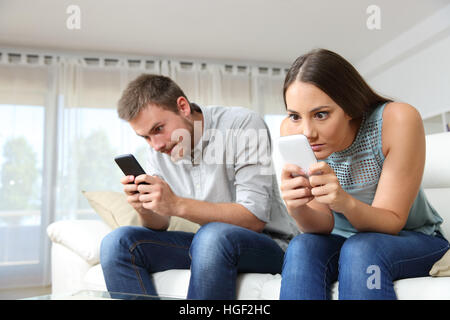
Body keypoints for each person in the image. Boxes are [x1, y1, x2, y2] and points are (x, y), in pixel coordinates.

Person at [100, 74, 298, 299]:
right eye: (145, 137)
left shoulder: (243, 124)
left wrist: (176, 204)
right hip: (208, 246)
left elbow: (253, 219)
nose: (156, 145)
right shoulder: (159, 150)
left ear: (183, 107)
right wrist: (145, 207)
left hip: (268, 244)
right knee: (117, 243)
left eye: (158, 129)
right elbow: (159, 225)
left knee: (211, 235)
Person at [278, 48, 449, 300]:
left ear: (349, 106)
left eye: (321, 114)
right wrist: (297, 208)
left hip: (411, 238)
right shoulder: (291, 131)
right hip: (342, 241)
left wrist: (344, 202)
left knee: (361, 248)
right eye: (295, 115)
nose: (306, 132)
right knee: (302, 246)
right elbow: (323, 225)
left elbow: (392, 221)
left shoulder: (398, 119)